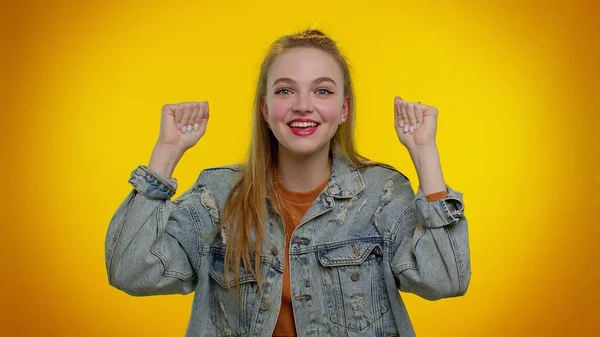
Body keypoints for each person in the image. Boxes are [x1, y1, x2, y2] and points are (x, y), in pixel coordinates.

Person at [105, 29, 471, 337]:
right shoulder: (217, 196)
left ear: (344, 109)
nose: (302, 105)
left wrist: (425, 154)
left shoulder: (382, 194)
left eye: (322, 91)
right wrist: (166, 153)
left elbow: (446, 280)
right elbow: (131, 272)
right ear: (265, 109)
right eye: (284, 91)